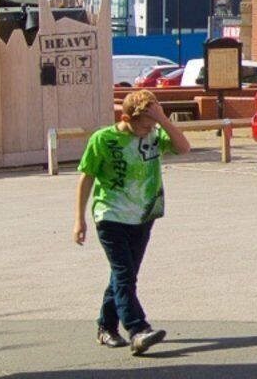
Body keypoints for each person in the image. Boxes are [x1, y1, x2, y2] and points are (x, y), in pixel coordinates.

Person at [71, 87, 190, 353]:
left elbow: (184, 148)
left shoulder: (156, 134)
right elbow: (86, 177)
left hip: (143, 215)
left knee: (123, 275)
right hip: (110, 215)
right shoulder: (103, 139)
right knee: (125, 276)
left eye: (152, 125)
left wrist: (162, 120)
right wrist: (79, 219)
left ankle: (106, 327)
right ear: (126, 120)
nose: (148, 131)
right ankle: (138, 329)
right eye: (144, 126)